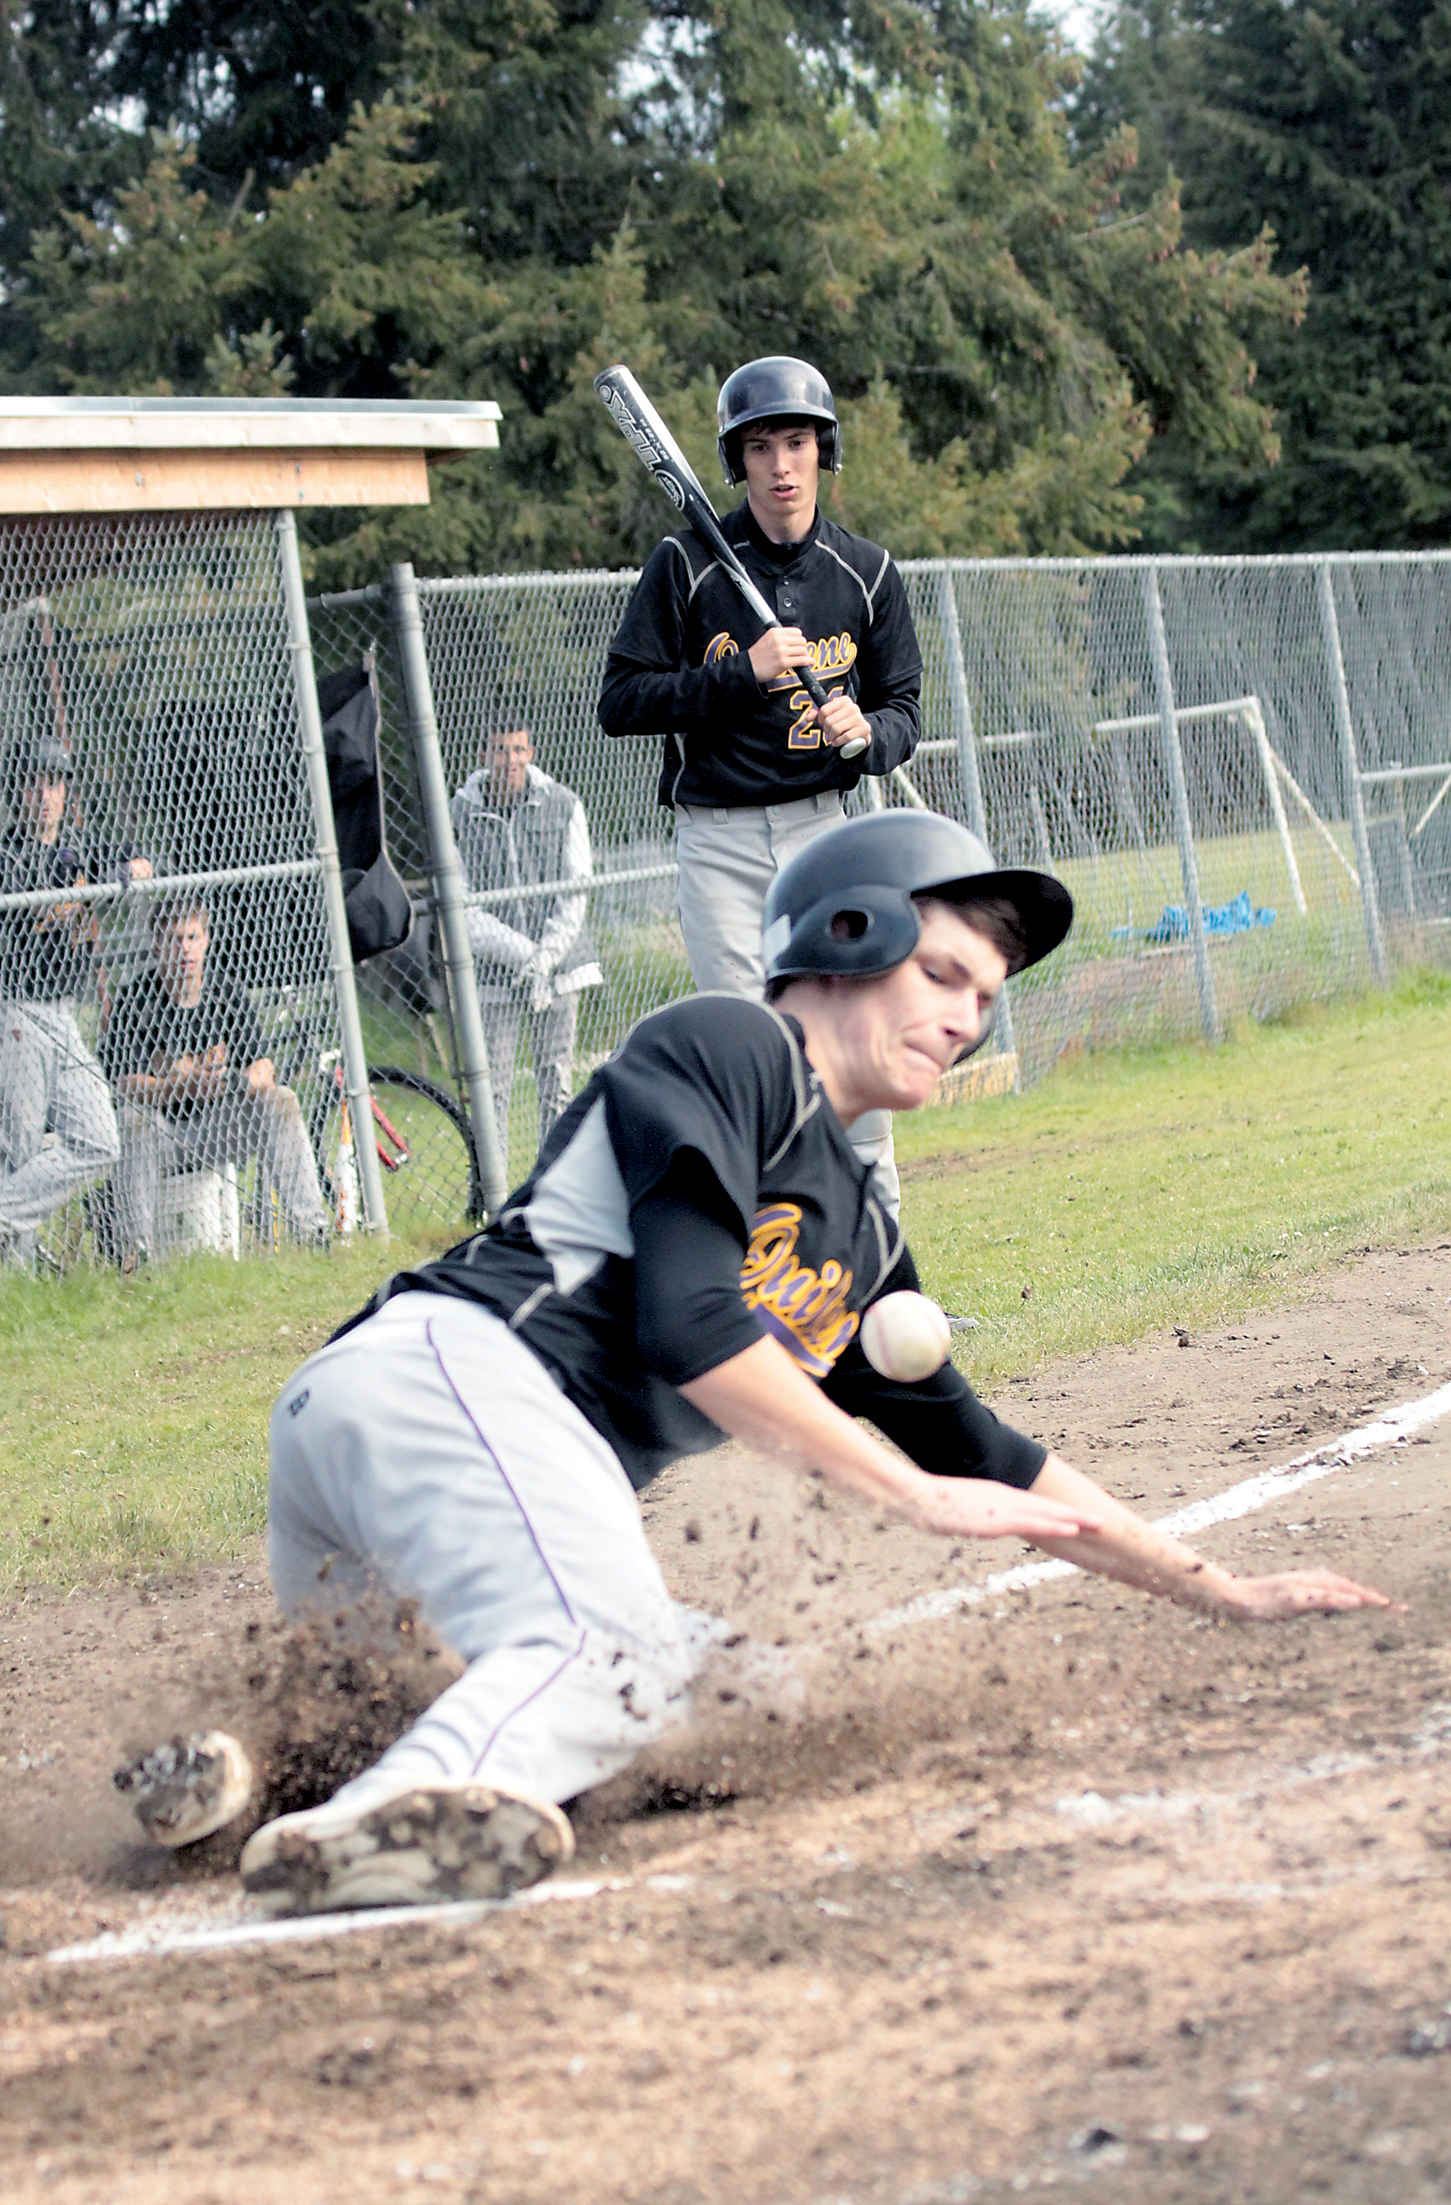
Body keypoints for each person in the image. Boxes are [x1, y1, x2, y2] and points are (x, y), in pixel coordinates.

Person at [133, 811, 1384, 1916]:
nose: (966, 1015)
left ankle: (239, 1784)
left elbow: (994, 1457)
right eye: (944, 972)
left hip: (423, 1447)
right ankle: (378, 1827)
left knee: (742, 1693)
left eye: (987, 998)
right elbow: (690, 1323)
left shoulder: (858, 1233)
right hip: (453, 1381)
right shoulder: (733, 1042)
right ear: (846, 934)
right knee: (600, 1657)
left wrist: (1221, 1587)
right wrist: (904, 1493)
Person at [597, 355, 922, 1217]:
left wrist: (869, 735)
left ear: (824, 451)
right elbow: (620, 702)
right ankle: (781, 1282)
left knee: (852, 1045)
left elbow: (904, 711)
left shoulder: (866, 572)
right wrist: (739, 675)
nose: (781, 463)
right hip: (721, 842)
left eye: (797, 442)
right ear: (737, 460)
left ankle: (881, 1276)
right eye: (761, 445)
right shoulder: (685, 564)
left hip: (827, 834)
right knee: (752, 1060)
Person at [0, 736, 152, 1268]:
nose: (45, 794)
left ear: (67, 790)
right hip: (13, 1014)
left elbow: (140, 864)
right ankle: (3, 1285)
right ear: (18, 792)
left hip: (63, 1014)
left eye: (55, 783)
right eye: (33, 783)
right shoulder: (3, 856)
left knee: (98, 1139)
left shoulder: (85, 844)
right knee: (13, 1152)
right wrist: (87, 894)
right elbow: (27, 913)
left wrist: (119, 877)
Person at [102, 898, 328, 1262]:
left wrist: (232, 1084)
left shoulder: (226, 993)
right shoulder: (135, 1000)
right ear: (157, 945)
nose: (184, 949)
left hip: (221, 1126)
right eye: (174, 939)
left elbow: (264, 1067)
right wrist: (178, 1087)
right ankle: (136, 1253)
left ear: (206, 940)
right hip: (165, 1131)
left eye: (192, 937)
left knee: (281, 1100)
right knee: (133, 1121)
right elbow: (123, 1082)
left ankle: (312, 1232)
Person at [451, 715, 602, 1160]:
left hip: (559, 970)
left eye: (518, 750)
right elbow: (464, 910)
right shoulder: (457, 813)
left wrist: (547, 957)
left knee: (555, 1082)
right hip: (496, 976)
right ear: (483, 755)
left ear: (530, 752)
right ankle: (494, 1191)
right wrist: (525, 956)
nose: (510, 760)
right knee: (491, 1086)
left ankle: (553, 1182)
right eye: (501, 750)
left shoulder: (564, 804)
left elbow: (576, 889)